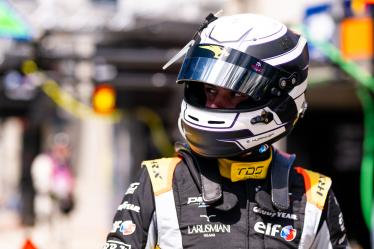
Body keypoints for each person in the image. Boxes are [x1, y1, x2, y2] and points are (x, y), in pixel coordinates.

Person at [104, 13, 349, 249]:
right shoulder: (160, 182)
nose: (213, 104)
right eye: (210, 90)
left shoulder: (313, 195)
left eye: (234, 93)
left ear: (279, 98)